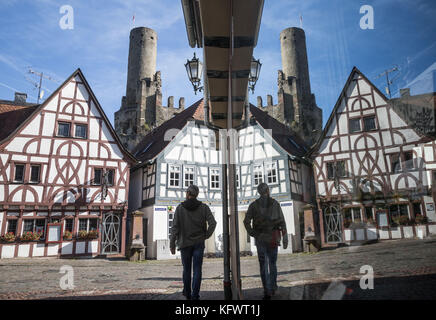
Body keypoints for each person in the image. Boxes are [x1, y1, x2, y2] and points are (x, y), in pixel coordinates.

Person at [170, 185, 217, 300]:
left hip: (185, 243)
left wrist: (172, 244)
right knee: (197, 270)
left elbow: (175, 228)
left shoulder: (180, 208)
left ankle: (187, 292)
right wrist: (206, 235)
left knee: (186, 269)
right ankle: (195, 295)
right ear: (197, 194)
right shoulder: (204, 207)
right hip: (198, 243)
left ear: (187, 194)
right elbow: (213, 223)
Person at [243, 183, 288, 300]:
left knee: (263, 265)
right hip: (273, 237)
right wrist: (285, 237)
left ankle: (267, 290)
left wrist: (253, 233)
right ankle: (272, 287)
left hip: (261, 238)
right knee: (272, 264)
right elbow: (282, 222)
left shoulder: (253, 205)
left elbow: (246, 221)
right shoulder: (275, 203)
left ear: (258, 192)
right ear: (267, 190)